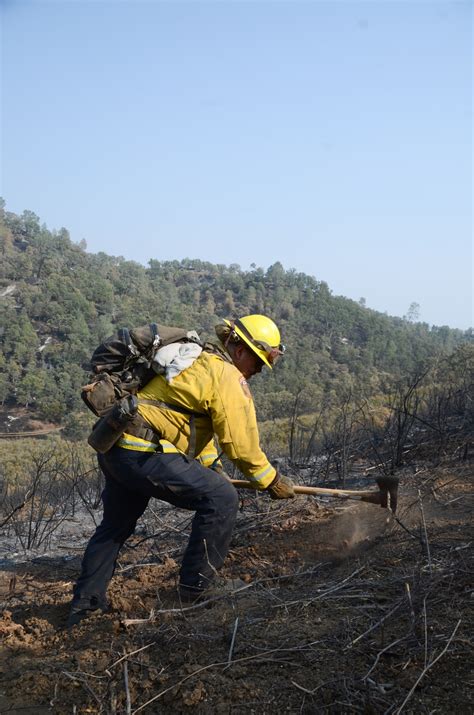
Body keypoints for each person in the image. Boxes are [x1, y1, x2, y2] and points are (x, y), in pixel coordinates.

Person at [67, 314, 295, 626]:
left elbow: (195, 426)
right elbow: (241, 446)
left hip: (117, 444)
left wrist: (211, 467)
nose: (257, 372)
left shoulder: (198, 361)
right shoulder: (227, 375)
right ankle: (194, 593)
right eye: (258, 363)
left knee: (115, 526)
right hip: (142, 451)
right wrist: (273, 480)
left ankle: (84, 607)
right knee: (222, 499)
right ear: (241, 351)